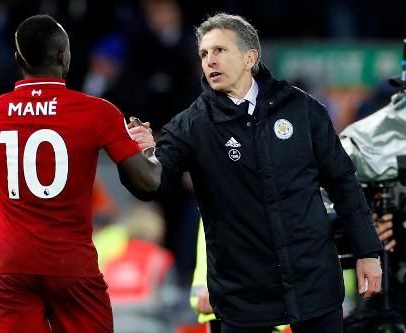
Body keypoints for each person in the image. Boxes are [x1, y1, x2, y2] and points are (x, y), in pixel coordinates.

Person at [128, 13, 383, 333]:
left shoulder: (301, 109)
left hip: (314, 284)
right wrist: (144, 157)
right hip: (242, 297)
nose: (210, 61)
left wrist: (368, 252)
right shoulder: (192, 124)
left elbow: (343, 181)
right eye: (204, 54)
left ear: (250, 57)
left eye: (220, 50)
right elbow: (156, 184)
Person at [0, 14, 160, 333]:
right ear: (63, 56)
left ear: (18, 59)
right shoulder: (98, 112)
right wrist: (147, 150)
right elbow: (148, 184)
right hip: (71, 267)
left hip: (9, 268)